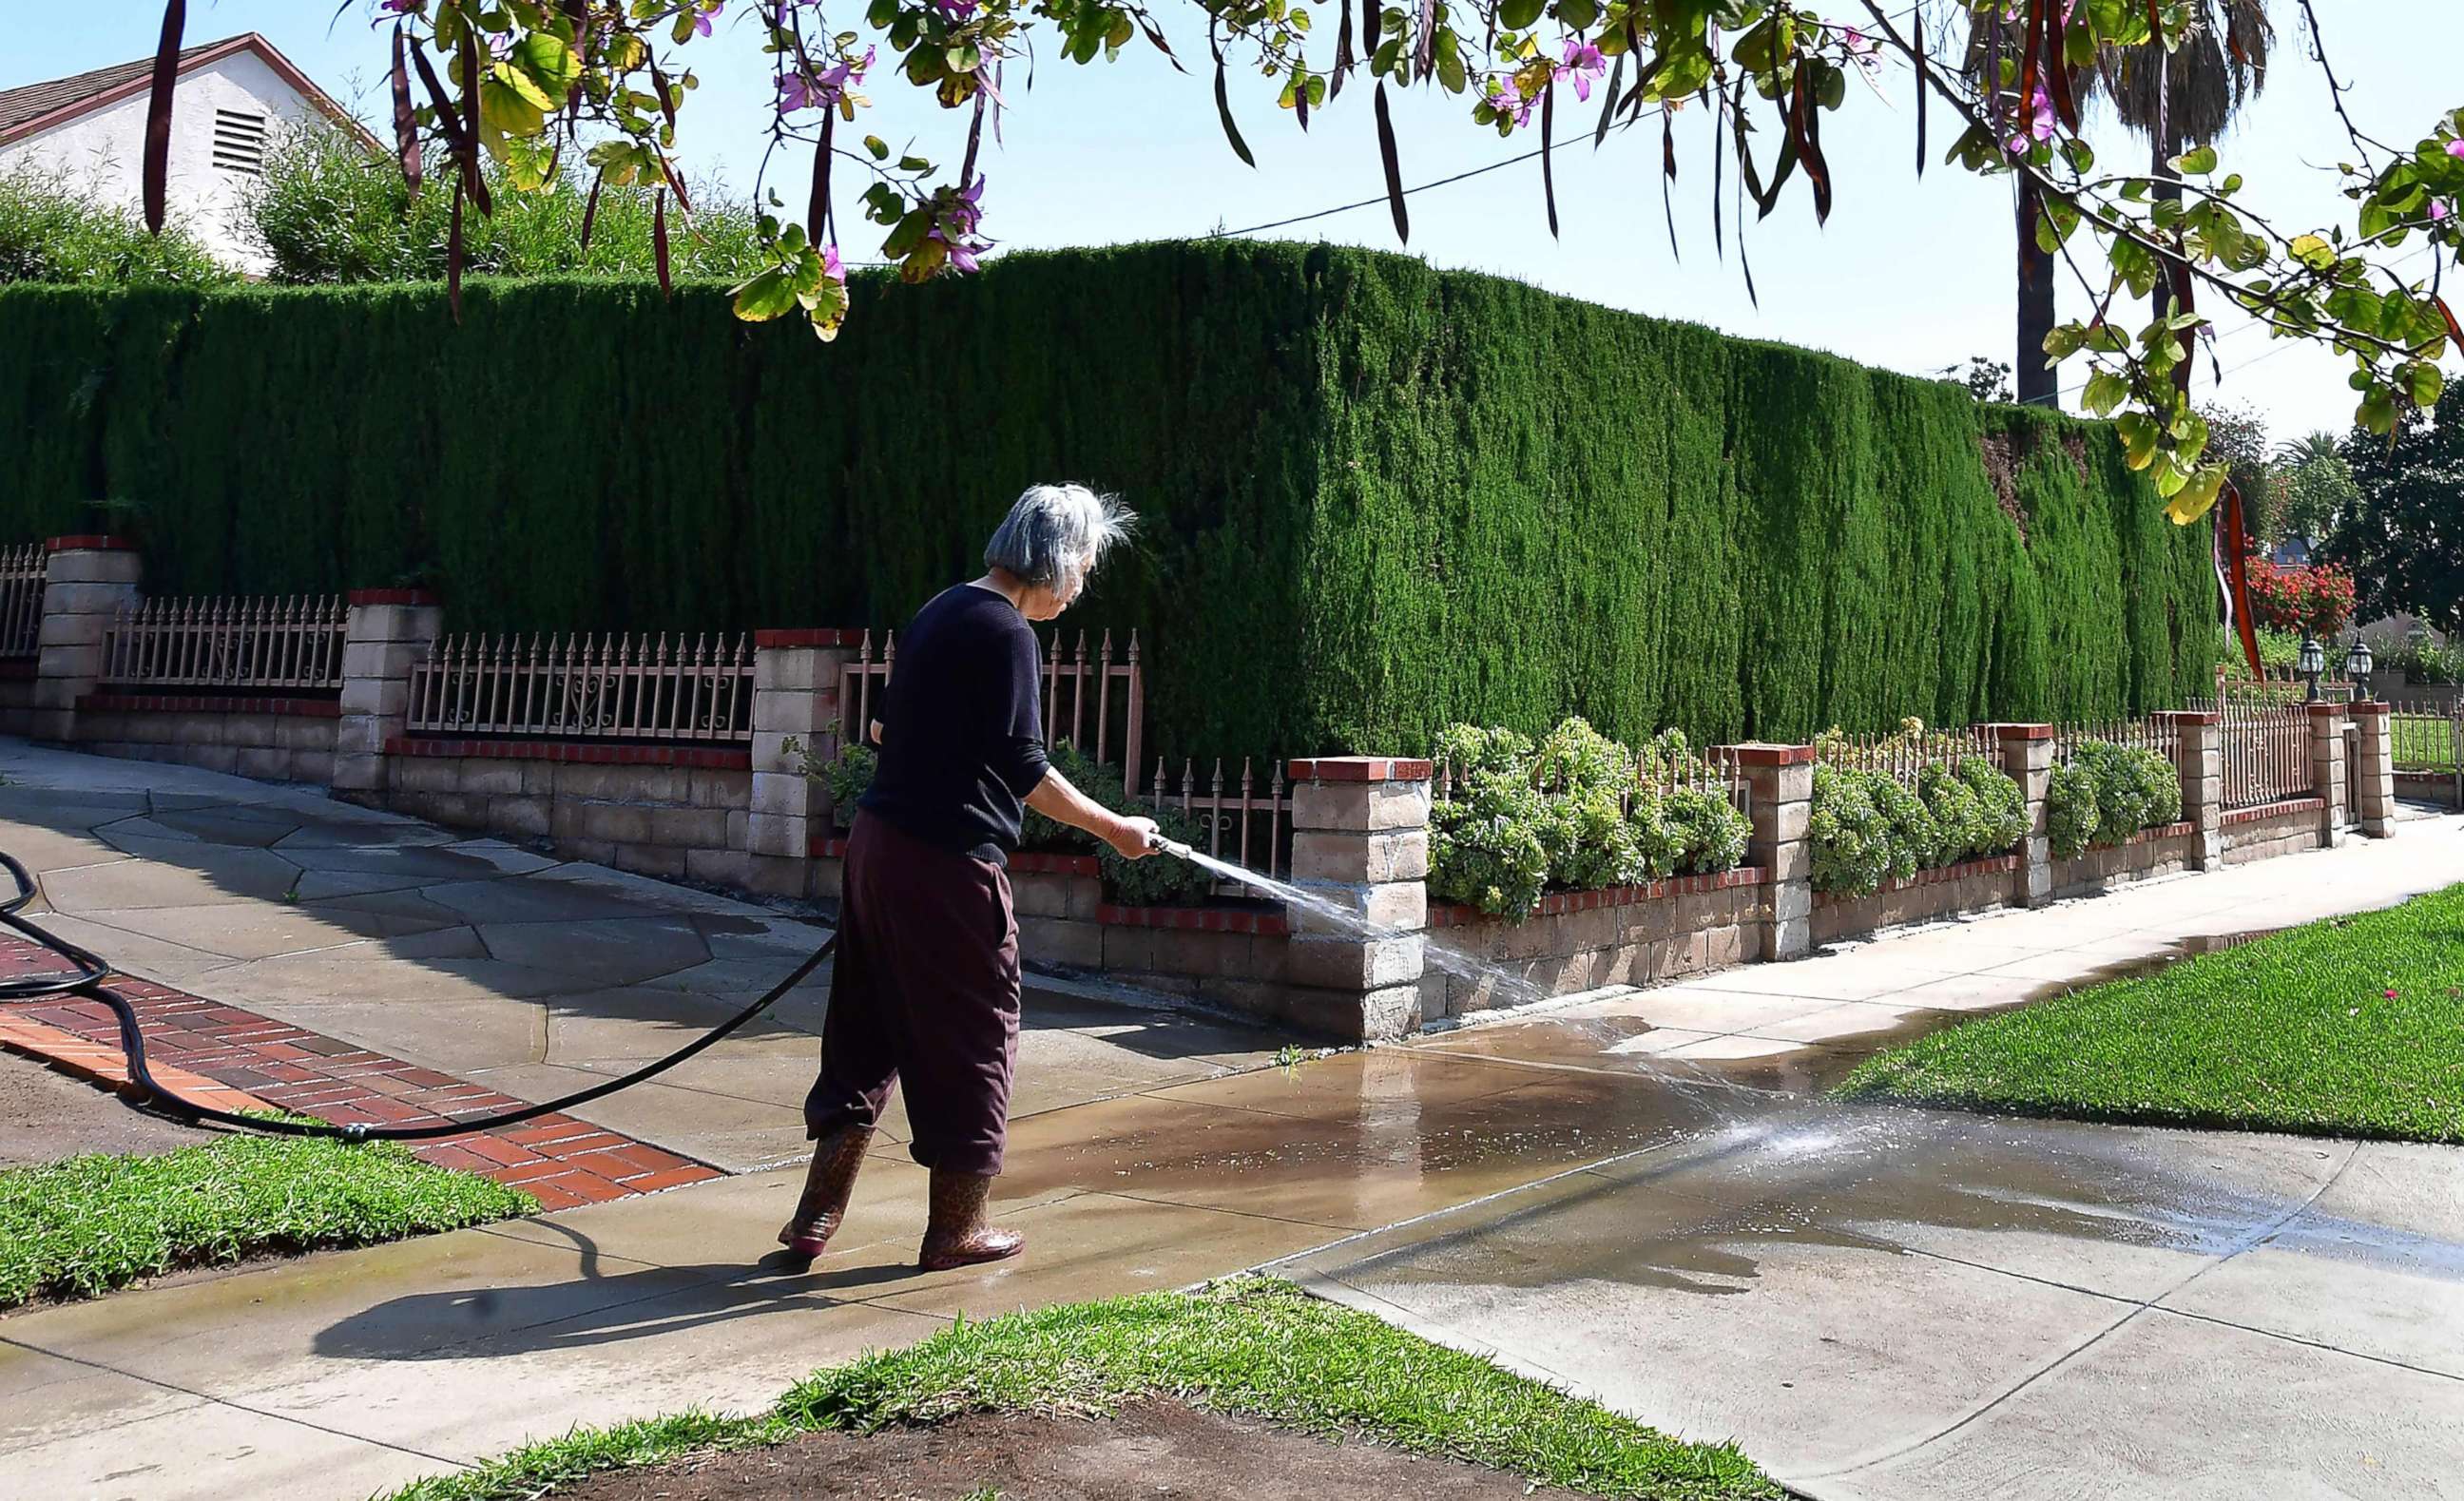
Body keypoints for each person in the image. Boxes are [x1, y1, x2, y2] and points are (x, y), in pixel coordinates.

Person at [781, 484, 1159, 1271]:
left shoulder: (943, 608)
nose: (1083, 584)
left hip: (877, 849)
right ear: (1054, 560)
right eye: (1084, 566)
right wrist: (1116, 829)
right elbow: (1026, 770)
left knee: (866, 1022)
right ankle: (956, 1229)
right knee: (975, 1030)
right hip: (948, 864)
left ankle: (816, 1213)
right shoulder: (1007, 632)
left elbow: (885, 724)